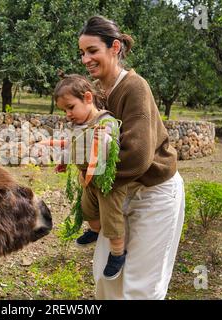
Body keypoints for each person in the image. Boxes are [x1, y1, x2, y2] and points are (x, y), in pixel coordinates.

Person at [77, 15, 185, 299]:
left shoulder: (134, 87)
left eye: (92, 51)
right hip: (119, 190)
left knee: (141, 289)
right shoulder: (99, 95)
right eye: (82, 53)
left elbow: (137, 158)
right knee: (106, 280)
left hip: (155, 193)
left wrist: (90, 175)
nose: (85, 59)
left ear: (114, 48)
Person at [39, 74, 128, 279]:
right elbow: (73, 145)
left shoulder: (106, 121)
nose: (68, 114)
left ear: (88, 98)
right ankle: (95, 231)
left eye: (71, 107)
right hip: (88, 180)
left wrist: (103, 138)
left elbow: (112, 146)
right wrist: (63, 160)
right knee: (88, 211)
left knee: (112, 219)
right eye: (64, 110)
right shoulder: (77, 125)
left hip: (108, 182)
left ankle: (117, 253)